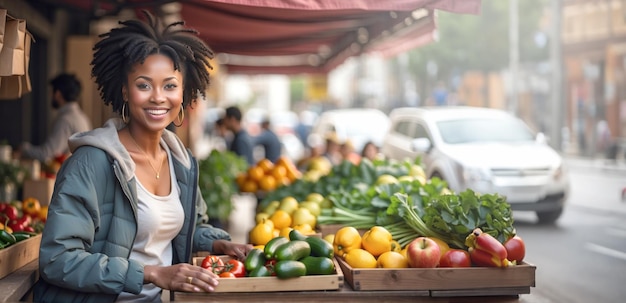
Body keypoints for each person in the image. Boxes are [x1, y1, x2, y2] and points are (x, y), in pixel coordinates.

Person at [33, 11, 252, 303]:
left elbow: (185, 226)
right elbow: (57, 259)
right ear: (125, 90)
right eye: (144, 84)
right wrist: (150, 274)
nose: (158, 97)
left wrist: (220, 243)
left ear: (184, 93)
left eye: (170, 85)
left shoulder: (181, 162)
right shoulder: (91, 163)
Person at [20, 73, 92, 163]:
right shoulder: (82, 117)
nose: (50, 96)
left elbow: (47, 154)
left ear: (57, 94)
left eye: (51, 92)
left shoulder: (65, 120)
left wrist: (23, 149)